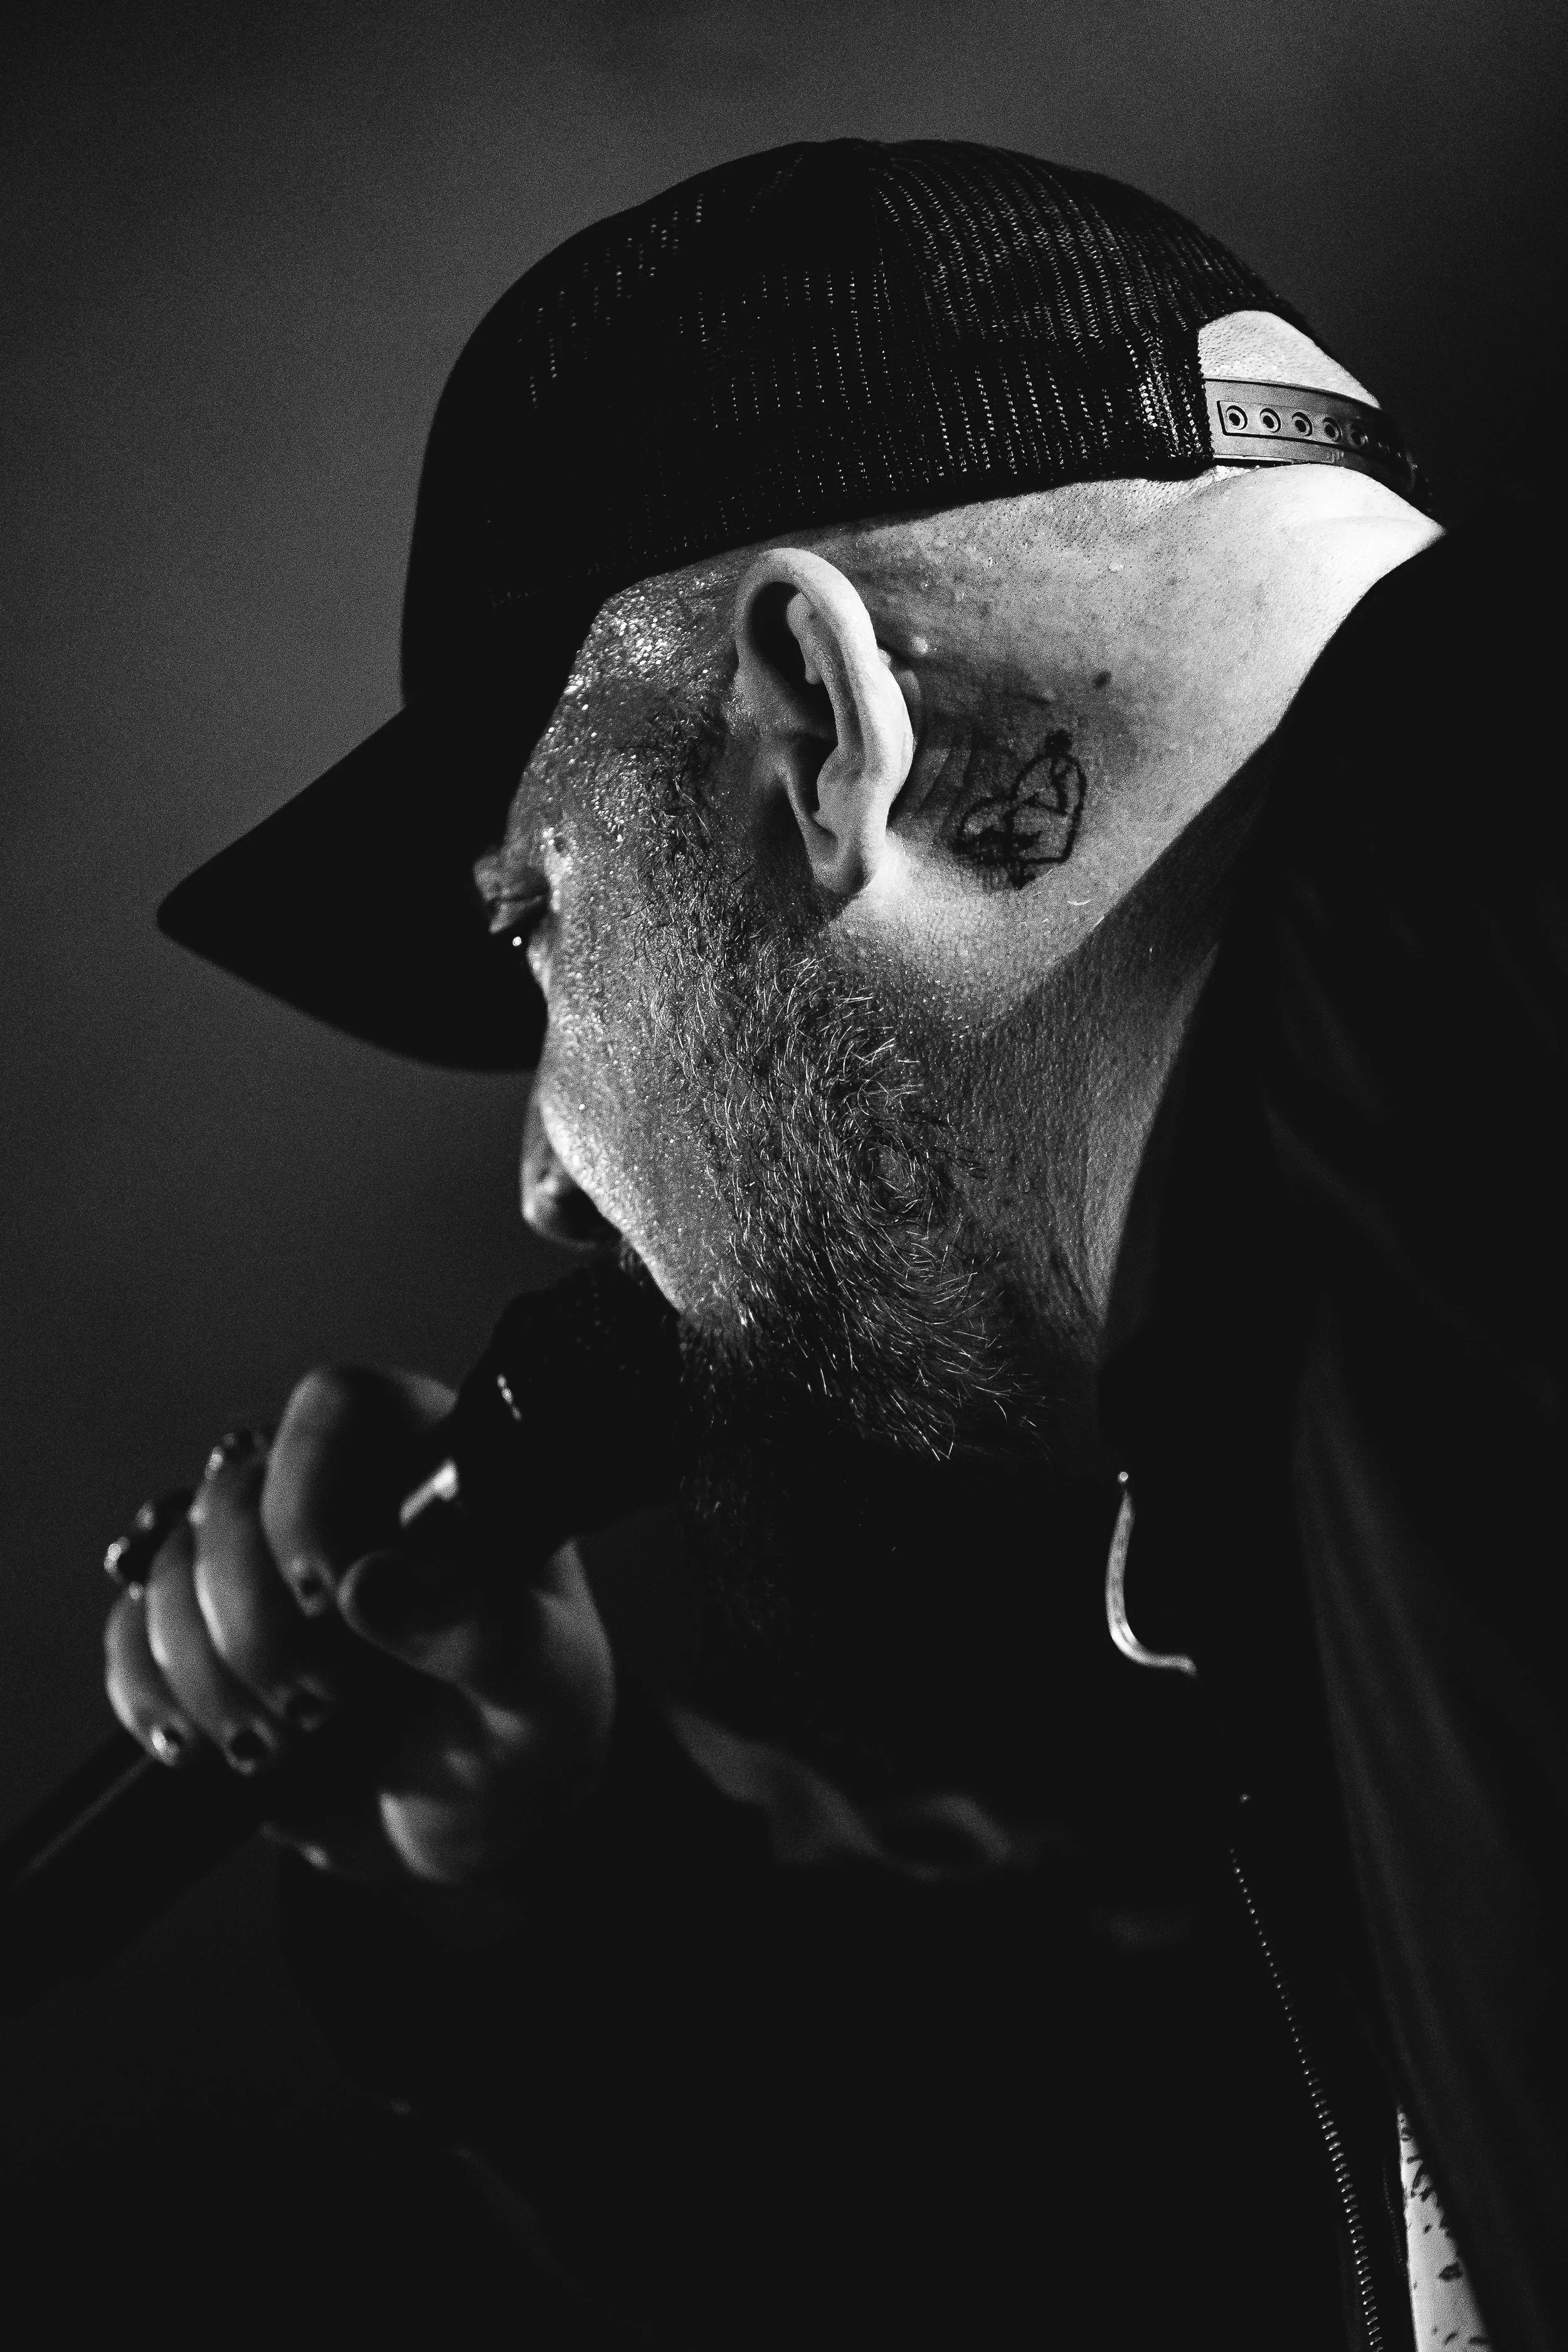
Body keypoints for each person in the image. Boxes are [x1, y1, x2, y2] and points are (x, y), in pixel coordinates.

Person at [100, 141, 1564, 2348]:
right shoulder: (1332, 1362)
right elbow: (1181, 2216)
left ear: (809, 726)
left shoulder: (1479, 931)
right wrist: (573, 1865)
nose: (544, 1177)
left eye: (533, 923)